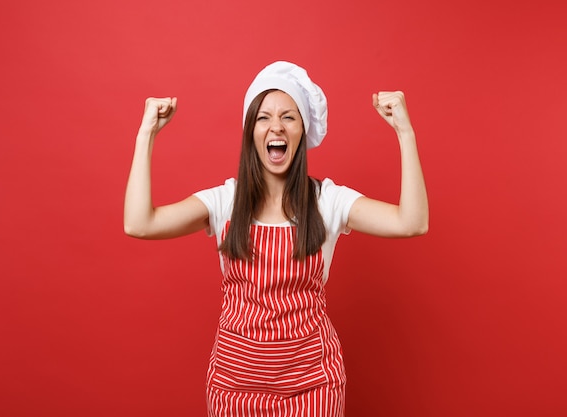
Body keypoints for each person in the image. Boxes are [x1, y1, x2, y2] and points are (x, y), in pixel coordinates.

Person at [124, 61, 428, 417]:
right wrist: (146, 134)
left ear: (302, 130)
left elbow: (412, 222)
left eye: (289, 117)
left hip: (313, 385)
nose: (276, 127)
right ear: (250, 130)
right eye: (264, 117)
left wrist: (405, 133)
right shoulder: (225, 201)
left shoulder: (327, 201)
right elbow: (139, 223)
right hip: (234, 386)